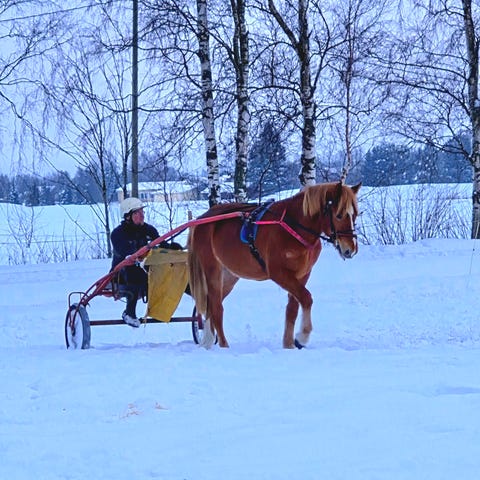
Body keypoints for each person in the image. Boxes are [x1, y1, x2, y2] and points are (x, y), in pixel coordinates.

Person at [110, 197, 159, 328]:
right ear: (127, 216)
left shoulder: (149, 230)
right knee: (135, 270)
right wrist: (140, 256)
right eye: (137, 213)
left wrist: (173, 249)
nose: (142, 215)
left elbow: (162, 246)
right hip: (122, 273)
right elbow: (125, 252)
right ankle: (129, 313)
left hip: (145, 269)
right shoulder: (117, 234)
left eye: (142, 212)